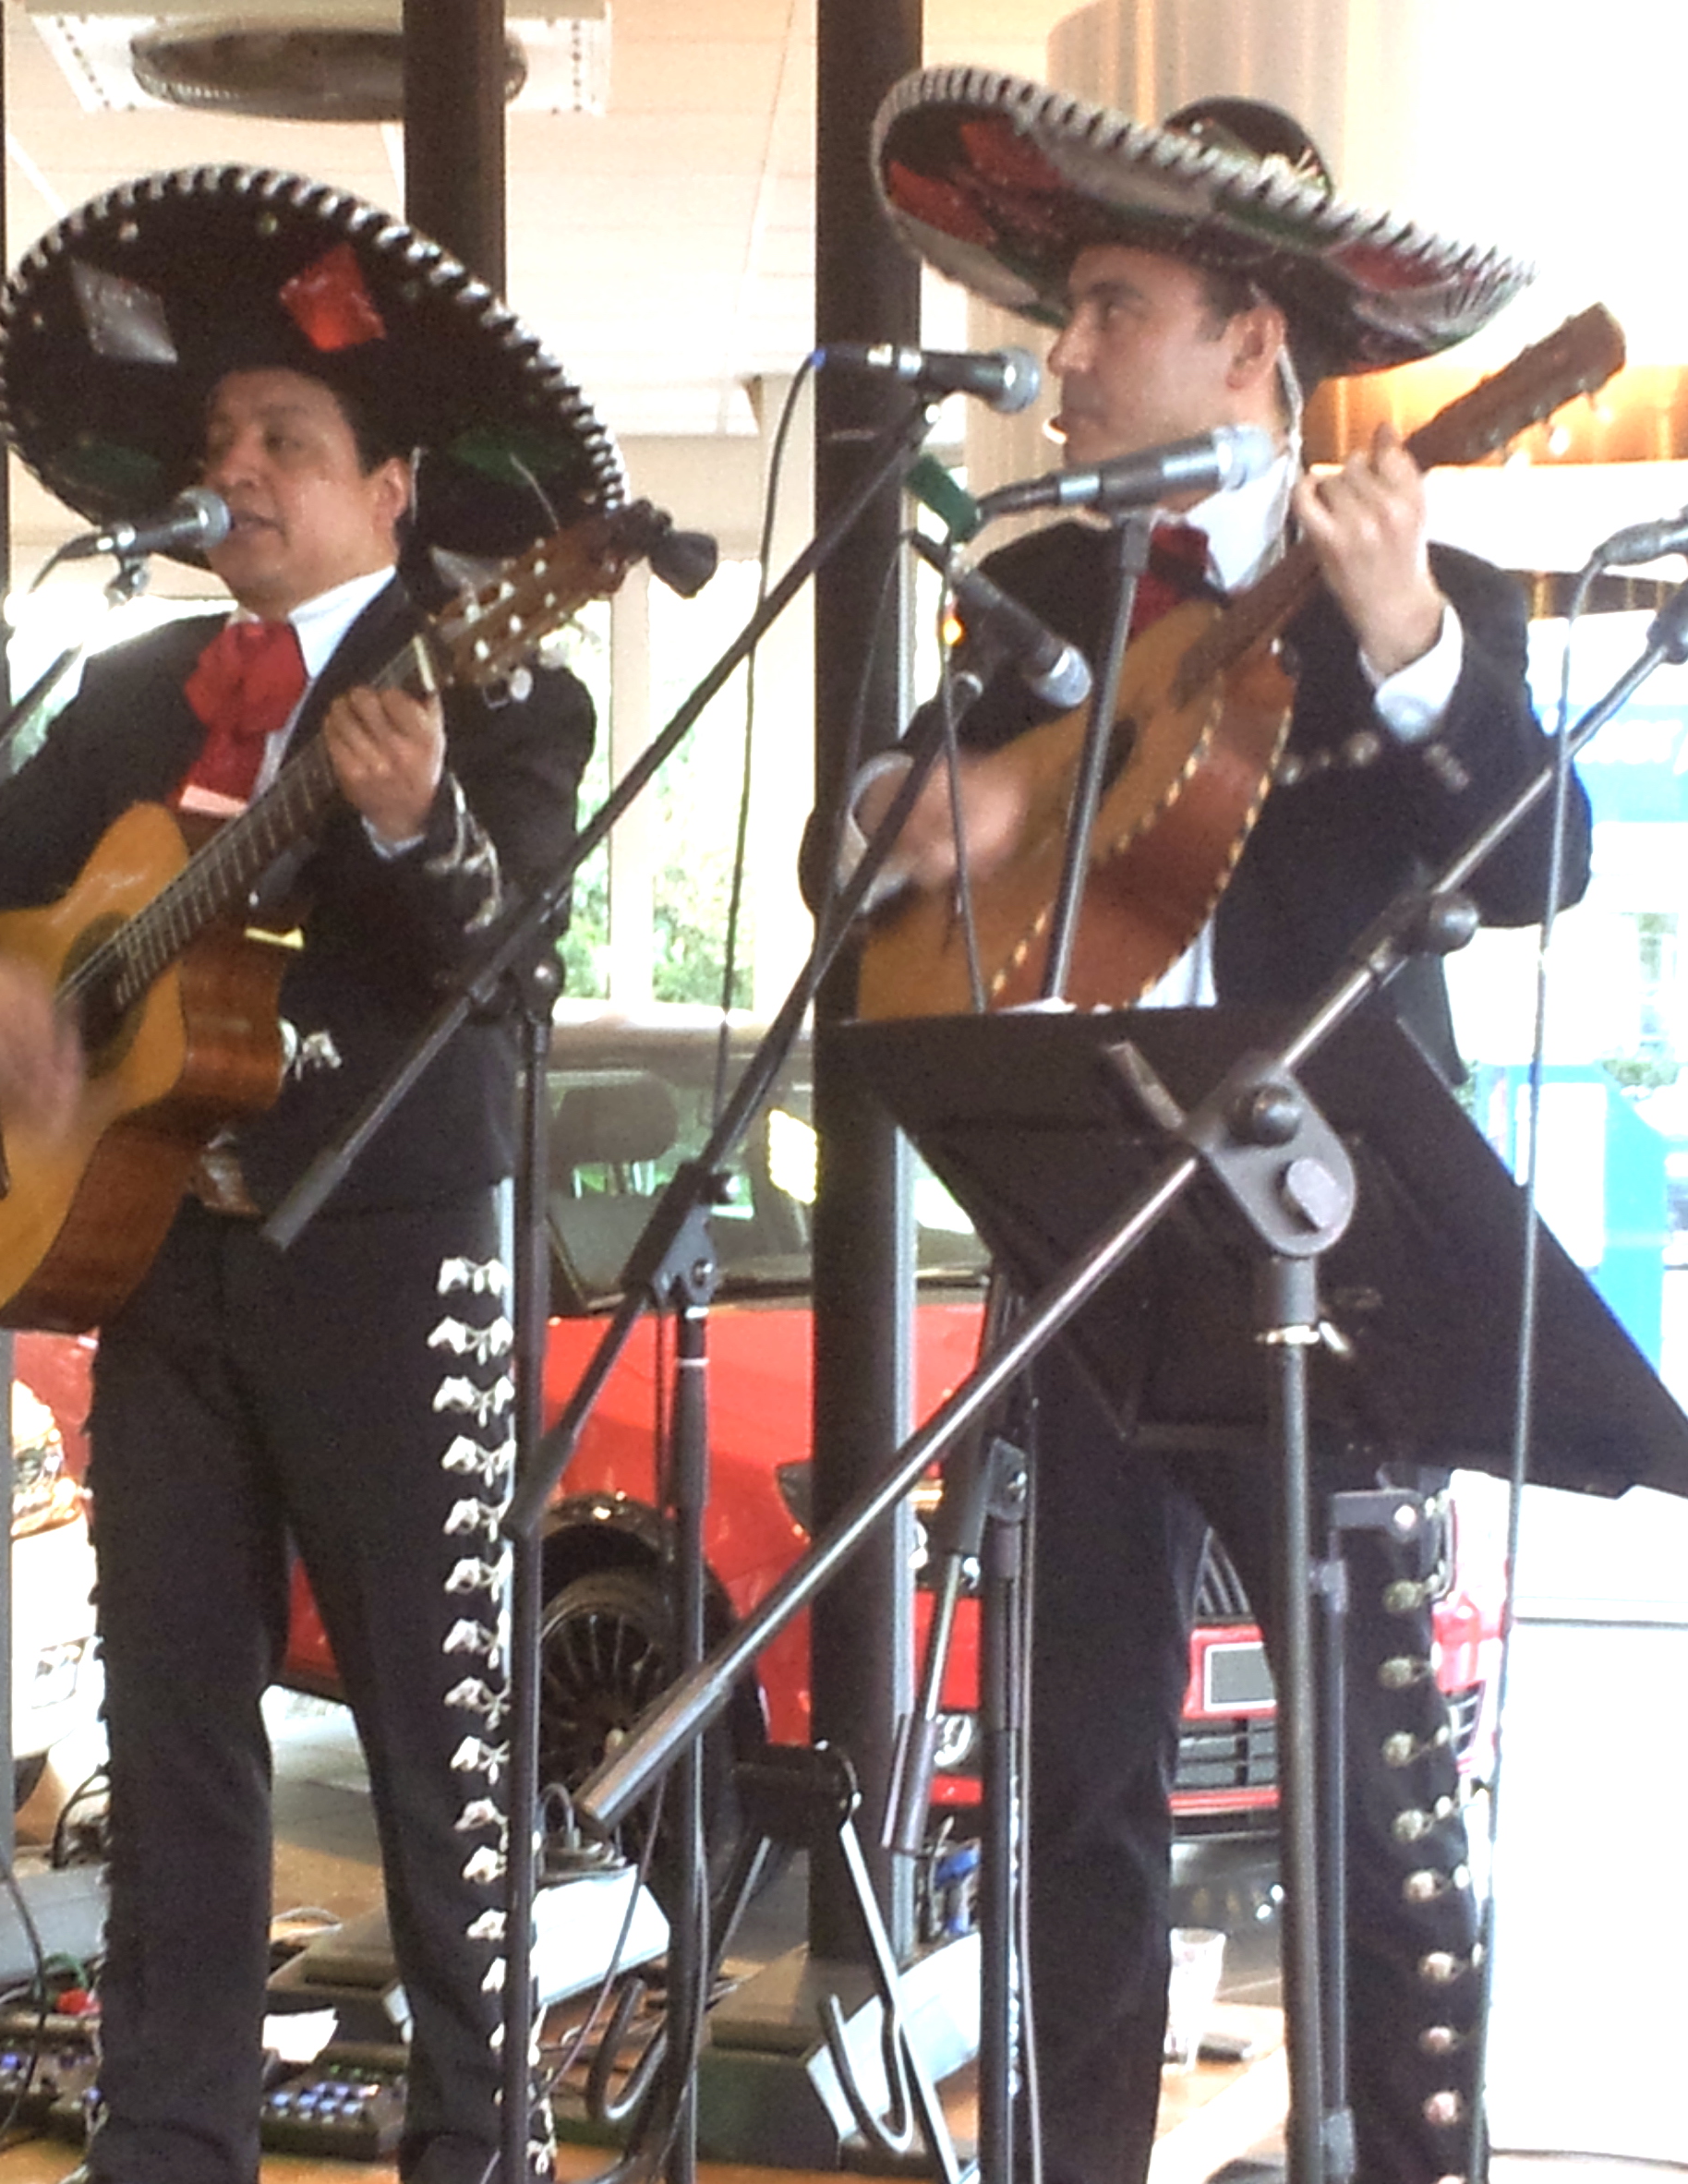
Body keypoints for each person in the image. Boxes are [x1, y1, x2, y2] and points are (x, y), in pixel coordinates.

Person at [854, 69, 1593, 2184]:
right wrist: (909, 818)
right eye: (1065, 312)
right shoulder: (1038, 588)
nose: (1062, 355)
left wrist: (1407, 640)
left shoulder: (1430, 593)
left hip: (1321, 1249)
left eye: (1108, 307)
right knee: (1071, 1772)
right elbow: (884, 847)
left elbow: (1539, 865)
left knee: (1366, 1768)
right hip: (1085, 1232)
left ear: (1248, 341)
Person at [0, 168, 619, 2184]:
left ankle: (477, 2139)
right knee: (172, 1734)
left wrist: (408, 824)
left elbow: (505, 961)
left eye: (283, 438)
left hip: (389, 1258)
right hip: (157, 1263)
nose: (233, 467)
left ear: (390, 489)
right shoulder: (134, 690)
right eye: (219, 438)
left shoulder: (502, 684)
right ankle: (166, 2134)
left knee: (439, 1738)